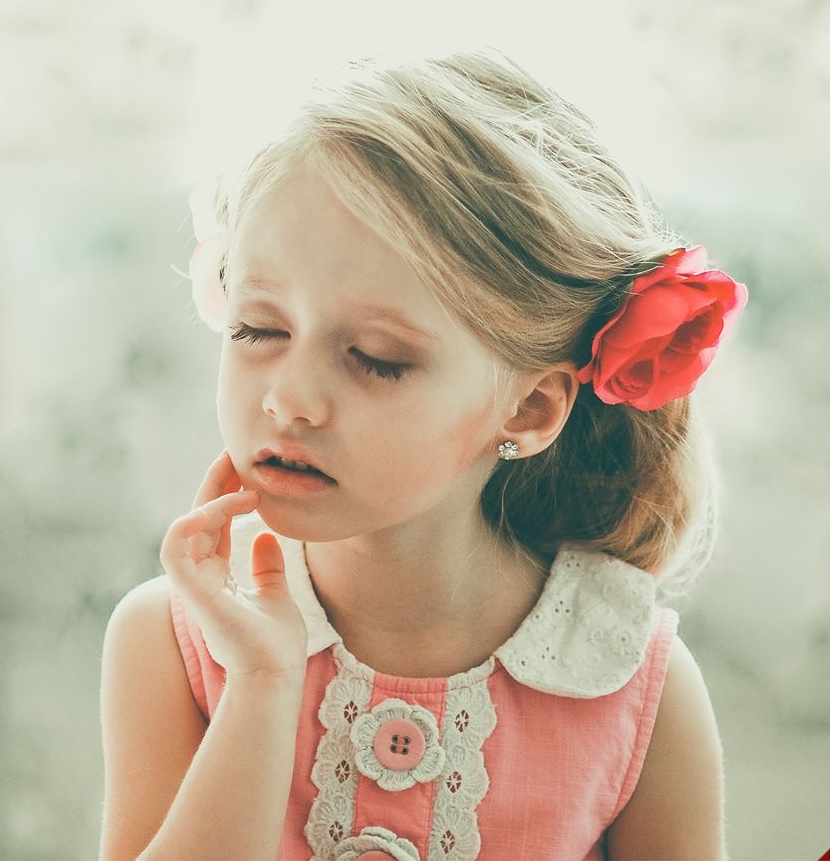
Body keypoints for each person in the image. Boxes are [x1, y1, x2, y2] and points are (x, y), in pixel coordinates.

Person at [99, 48, 746, 860]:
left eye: (375, 359)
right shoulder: (171, 640)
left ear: (531, 408)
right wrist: (261, 687)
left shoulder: (632, 682)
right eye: (258, 329)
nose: (289, 399)